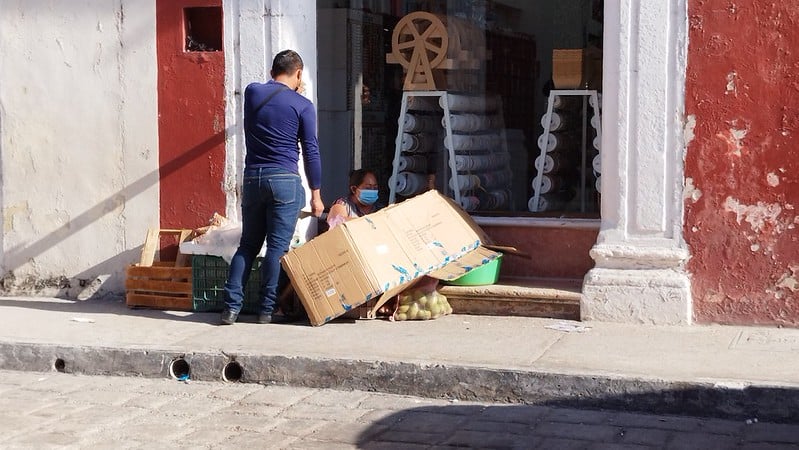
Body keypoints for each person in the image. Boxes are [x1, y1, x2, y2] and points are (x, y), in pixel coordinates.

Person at [221, 50, 324, 325]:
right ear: (299, 73)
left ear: (272, 70)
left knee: (248, 246)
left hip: (253, 178)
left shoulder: (253, 93)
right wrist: (316, 194)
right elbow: (311, 152)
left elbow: (269, 92)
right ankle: (266, 311)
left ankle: (231, 308)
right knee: (277, 249)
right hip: (285, 182)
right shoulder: (303, 106)